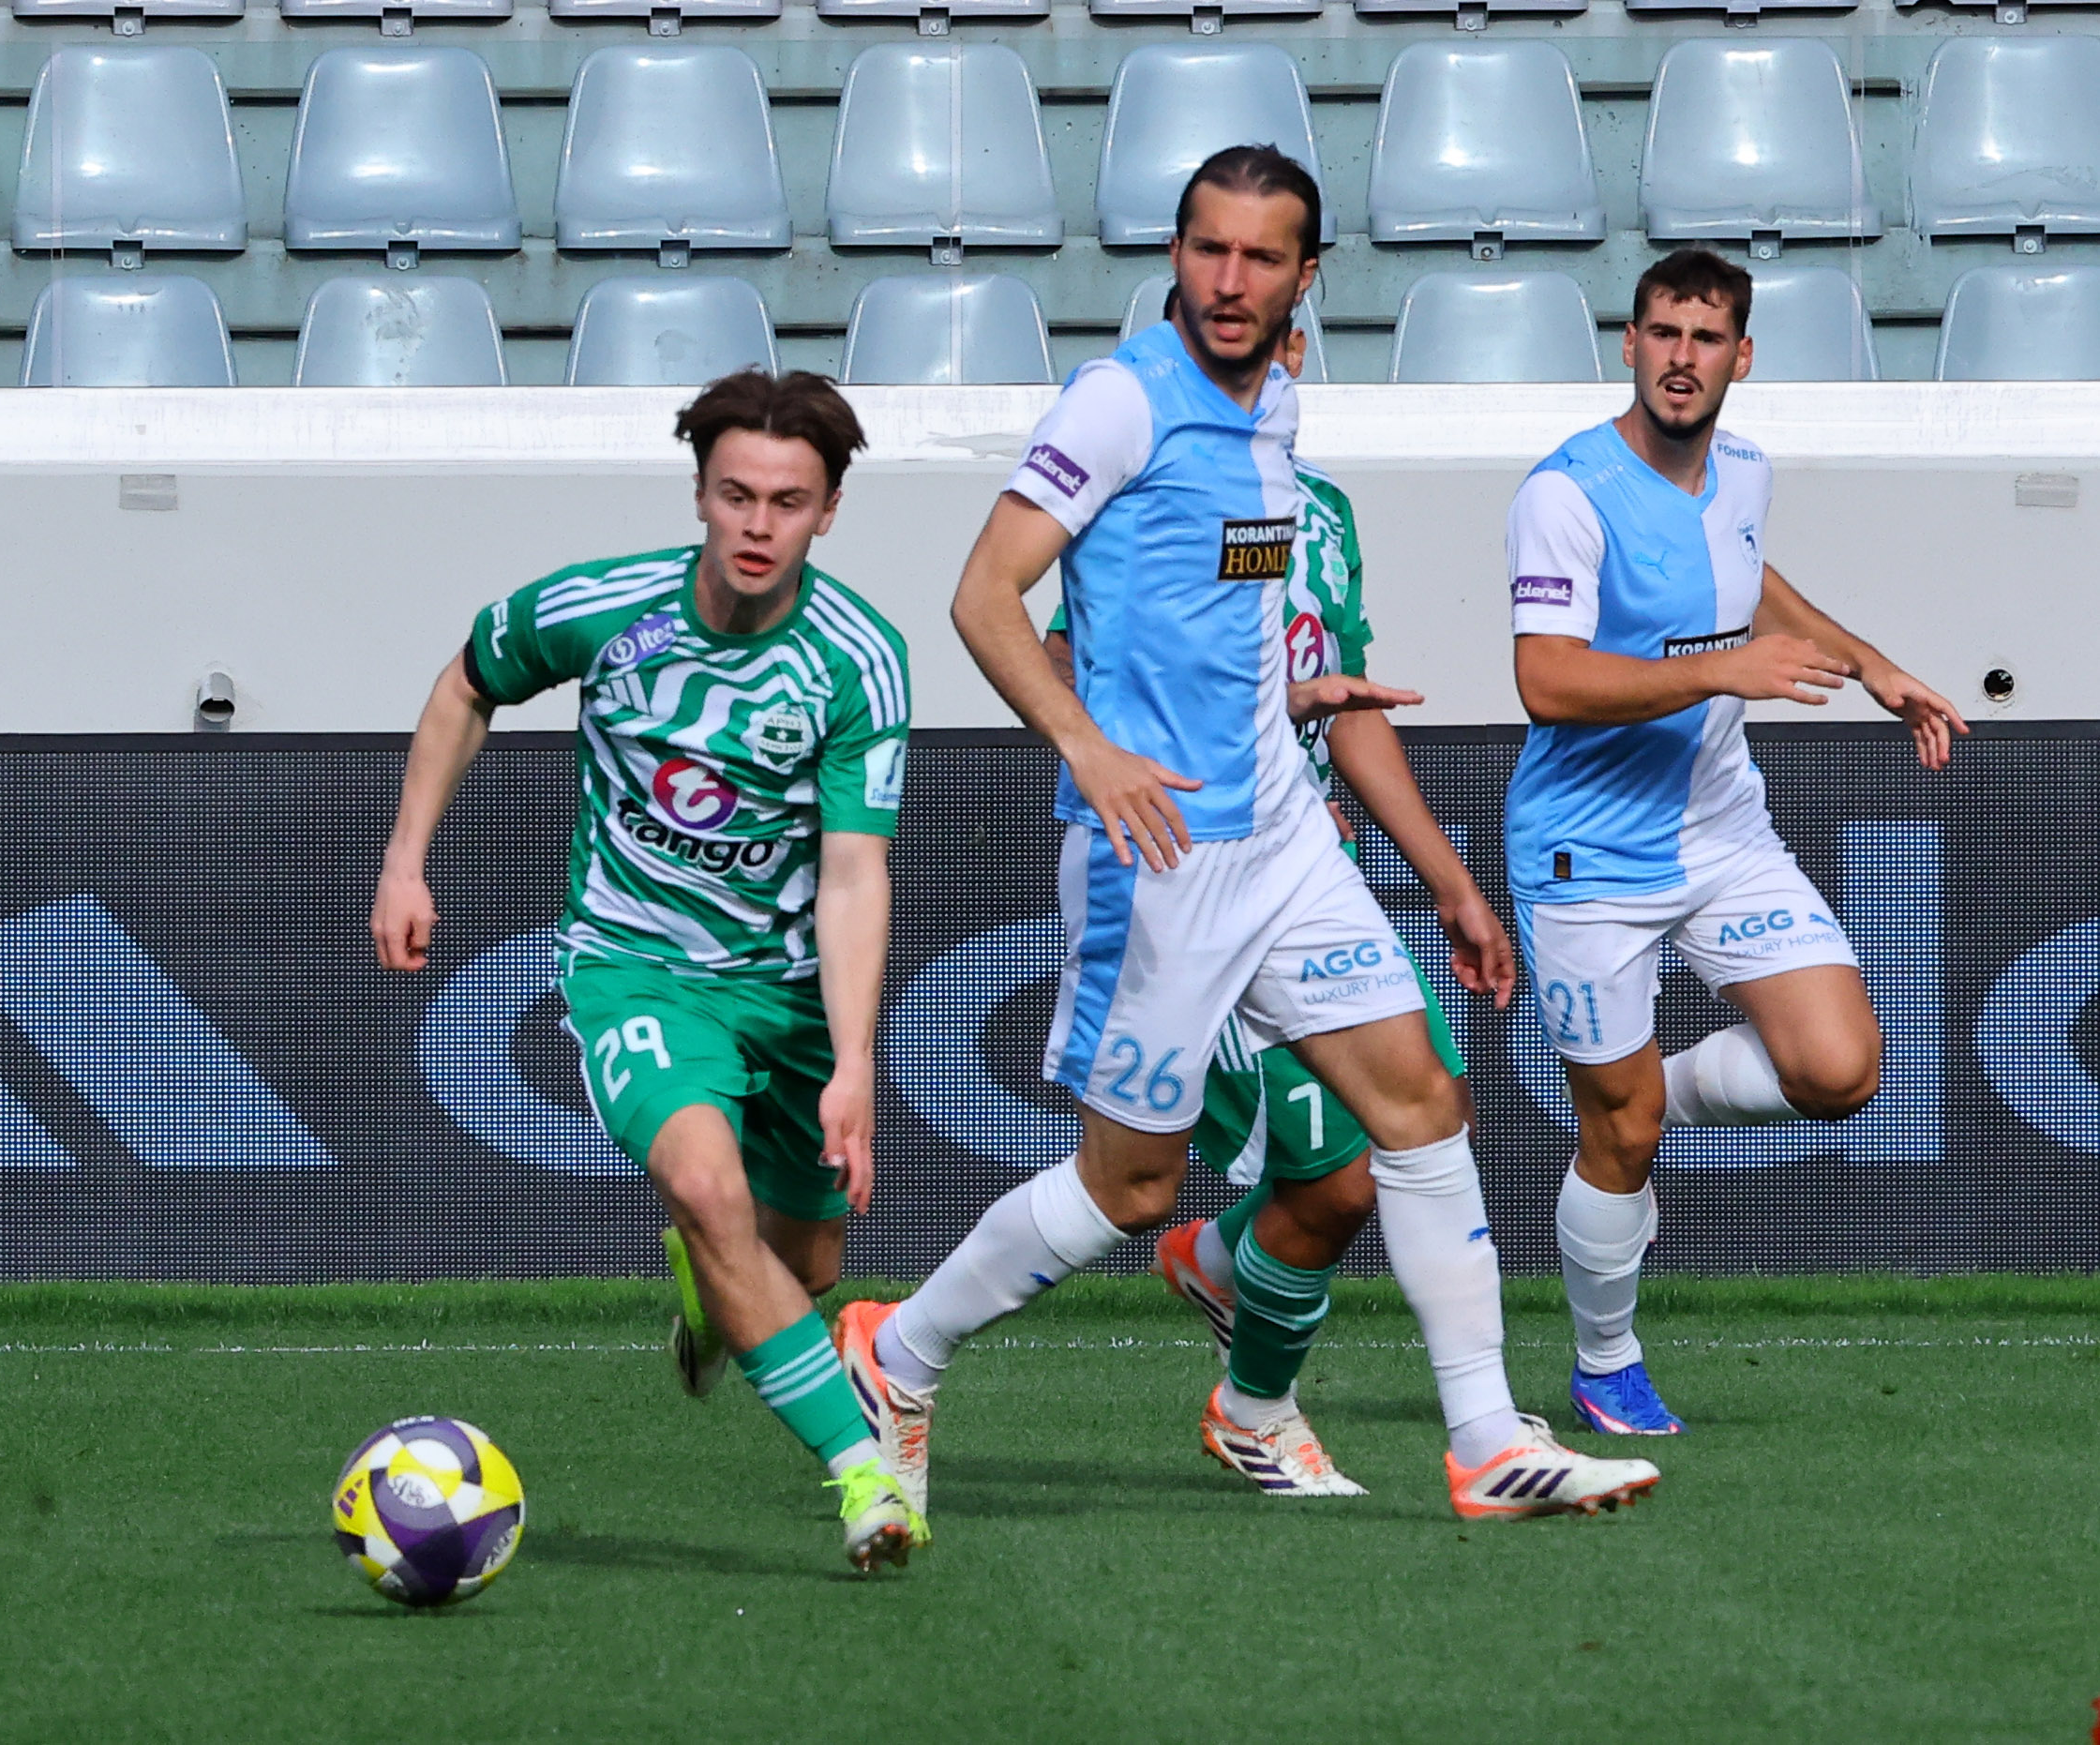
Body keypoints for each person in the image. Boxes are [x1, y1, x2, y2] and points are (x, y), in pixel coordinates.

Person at [838, 143, 1660, 1525]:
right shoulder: (1118, 401)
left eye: (1260, 257)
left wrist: (1295, 701)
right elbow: (983, 595)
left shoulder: (1276, 404)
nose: (1229, 280)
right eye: (1207, 249)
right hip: (1160, 854)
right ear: (1174, 254)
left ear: (1304, 276)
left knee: (1419, 1103)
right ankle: (896, 1352)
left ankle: (1482, 1438)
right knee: (1130, 1186)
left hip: (1282, 828)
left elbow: (1206, 616)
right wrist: (1087, 746)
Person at [368, 369, 926, 1572]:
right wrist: (406, 861)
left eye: (788, 501)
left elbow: (853, 873)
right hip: (636, 968)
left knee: (804, 1266)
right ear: (701, 494)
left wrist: (853, 1063)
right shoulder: (605, 607)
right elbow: (467, 683)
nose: (758, 524)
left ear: (829, 512)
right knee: (711, 1194)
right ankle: (865, 1473)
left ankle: (709, 1292)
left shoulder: (859, 660)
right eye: (736, 494)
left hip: (789, 993)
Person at [1037, 321, 1519, 1497]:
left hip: (1299, 869)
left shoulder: (1325, 514)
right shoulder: (1150, 484)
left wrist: (1452, 883)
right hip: (1178, 864)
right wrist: (1114, 756)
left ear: (1298, 342)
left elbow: (1343, 713)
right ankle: (1257, 1398)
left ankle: (1232, 1296)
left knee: (1418, 1120)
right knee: (1327, 1175)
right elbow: (1055, 652)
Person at [1507, 248, 1968, 1436]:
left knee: (1840, 1070)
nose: (1682, 357)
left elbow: (1751, 580)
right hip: (1588, 856)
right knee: (1619, 1139)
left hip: (1721, 832)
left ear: (1741, 357)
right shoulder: (1566, 493)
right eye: (1663, 334)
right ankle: (1606, 1362)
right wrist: (1721, 671)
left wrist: (1872, 666)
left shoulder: (1747, 471)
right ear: (1629, 344)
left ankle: (1637, 1101)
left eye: (1706, 339)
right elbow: (1546, 680)